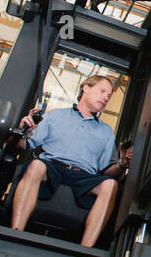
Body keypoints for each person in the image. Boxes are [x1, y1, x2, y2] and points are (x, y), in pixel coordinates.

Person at [10, 73, 132, 246]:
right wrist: (25, 131)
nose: (106, 98)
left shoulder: (105, 131)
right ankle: (15, 233)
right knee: (36, 165)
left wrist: (122, 163)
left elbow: (106, 170)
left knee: (110, 185)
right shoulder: (55, 116)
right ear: (86, 88)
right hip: (52, 167)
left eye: (108, 95)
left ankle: (86, 249)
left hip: (84, 176)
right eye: (102, 91)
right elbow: (24, 146)